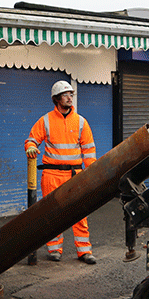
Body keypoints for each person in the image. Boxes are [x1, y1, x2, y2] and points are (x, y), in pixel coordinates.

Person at [24, 80, 98, 264]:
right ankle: (54, 249)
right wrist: (31, 147)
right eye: (66, 95)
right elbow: (32, 139)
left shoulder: (81, 122)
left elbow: (89, 151)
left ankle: (84, 251)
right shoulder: (46, 120)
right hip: (51, 175)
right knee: (53, 214)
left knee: (80, 213)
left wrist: (92, 174)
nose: (70, 98)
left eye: (71, 94)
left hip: (75, 175)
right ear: (57, 99)